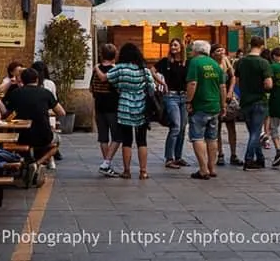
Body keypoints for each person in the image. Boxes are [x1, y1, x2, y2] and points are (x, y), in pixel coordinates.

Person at [93, 42, 155, 179]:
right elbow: (152, 87)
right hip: (141, 109)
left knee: (127, 141)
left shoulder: (120, 68)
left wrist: (96, 67)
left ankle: (126, 171)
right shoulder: (144, 70)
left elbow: (104, 78)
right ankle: (143, 171)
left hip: (124, 107)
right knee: (142, 141)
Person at [184, 41, 226, 180]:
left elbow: (192, 83)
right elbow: (222, 87)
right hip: (214, 106)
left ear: (196, 51)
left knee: (197, 137)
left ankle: (203, 169)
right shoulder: (215, 64)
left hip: (200, 106)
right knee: (212, 138)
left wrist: (189, 101)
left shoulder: (195, 63)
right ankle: (212, 168)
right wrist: (223, 105)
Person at [234, 36, 273, 170]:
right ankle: (249, 159)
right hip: (259, 100)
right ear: (261, 46)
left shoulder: (241, 62)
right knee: (256, 132)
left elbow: (237, 82)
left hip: (245, 100)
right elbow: (268, 84)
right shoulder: (263, 63)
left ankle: (260, 159)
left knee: (252, 131)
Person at [153, 39, 190, 169]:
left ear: (181, 47)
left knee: (183, 127)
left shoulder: (187, 62)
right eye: (172, 45)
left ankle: (178, 157)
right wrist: (161, 82)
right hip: (171, 96)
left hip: (184, 96)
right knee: (176, 126)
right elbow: (152, 70)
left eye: (176, 45)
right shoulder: (166, 62)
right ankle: (169, 158)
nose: (173, 47)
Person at [90, 43, 122, 177]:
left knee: (103, 137)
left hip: (99, 107)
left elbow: (91, 89)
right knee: (117, 137)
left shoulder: (95, 71)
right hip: (113, 107)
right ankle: (106, 163)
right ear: (115, 55)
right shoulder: (115, 70)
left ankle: (106, 164)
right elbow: (119, 89)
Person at [210, 44, 241, 166]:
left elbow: (232, 77)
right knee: (216, 127)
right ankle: (220, 154)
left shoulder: (226, 60)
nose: (222, 51)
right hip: (216, 97)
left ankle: (233, 154)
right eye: (218, 50)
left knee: (231, 126)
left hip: (228, 97)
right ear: (212, 53)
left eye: (222, 49)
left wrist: (230, 91)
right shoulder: (211, 64)